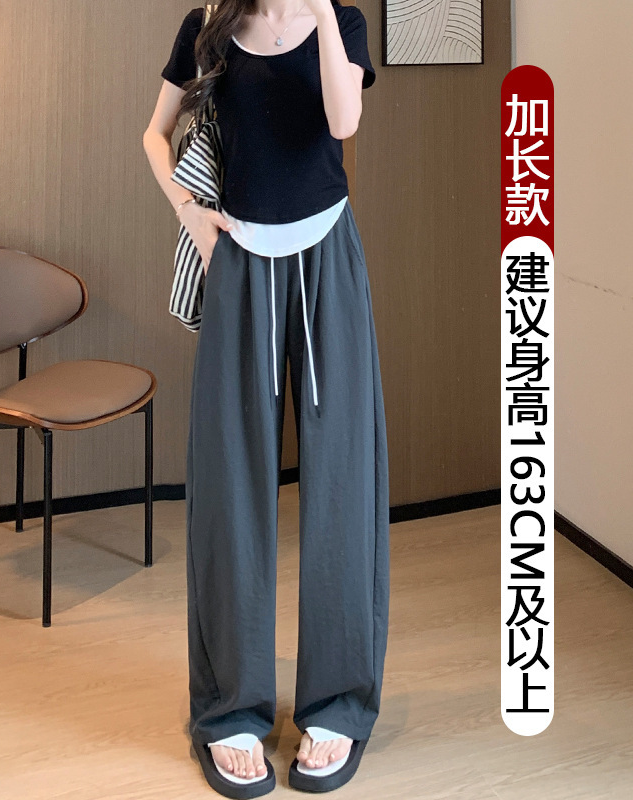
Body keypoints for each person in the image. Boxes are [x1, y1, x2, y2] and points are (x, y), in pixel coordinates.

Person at [143, 1, 389, 795]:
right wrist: (189, 213)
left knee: (343, 483)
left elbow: (344, 122)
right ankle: (230, 713)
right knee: (229, 489)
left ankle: (338, 707)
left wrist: (320, 11)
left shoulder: (343, 23)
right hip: (240, 260)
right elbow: (154, 135)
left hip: (328, 257)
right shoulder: (208, 24)